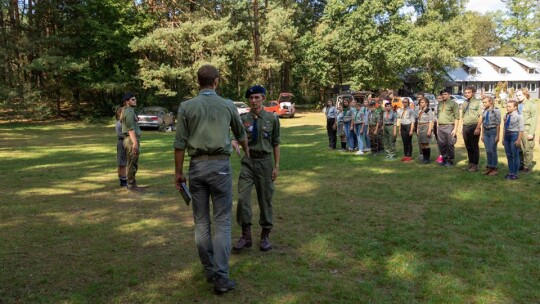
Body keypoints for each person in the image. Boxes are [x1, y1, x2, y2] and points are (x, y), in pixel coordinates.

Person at [174, 65, 248, 294]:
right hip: (220, 166)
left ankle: (209, 270)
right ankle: (221, 276)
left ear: (199, 82)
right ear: (216, 81)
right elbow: (241, 134)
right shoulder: (227, 105)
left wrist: (178, 173)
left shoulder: (186, 106)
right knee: (223, 223)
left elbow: (179, 144)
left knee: (202, 222)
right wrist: (248, 152)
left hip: (196, 166)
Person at [233, 85, 281, 253]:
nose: (253, 101)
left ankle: (265, 236)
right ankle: (246, 236)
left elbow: (276, 143)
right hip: (248, 162)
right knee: (243, 198)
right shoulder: (243, 118)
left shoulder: (272, 119)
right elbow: (236, 135)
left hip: (265, 163)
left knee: (265, 199)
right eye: (251, 98)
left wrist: (276, 166)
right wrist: (234, 142)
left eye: (257, 98)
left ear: (263, 99)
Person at [120, 93, 143, 191]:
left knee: (133, 162)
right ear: (127, 101)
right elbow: (130, 129)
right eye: (133, 99)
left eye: (135, 99)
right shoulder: (129, 112)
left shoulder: (128, 111)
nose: (135, 101)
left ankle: (132, 183)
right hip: (131, 139)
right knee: (132, 163)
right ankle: (131, 184)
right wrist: (135, 143)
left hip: (130, 139)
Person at [460, 86, 484, 172]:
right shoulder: (464, 102)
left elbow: (481, 115)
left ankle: (475, 165)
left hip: (474, 126)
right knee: (468, 146)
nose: (467, 94)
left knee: (474, 146)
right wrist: (462, 127)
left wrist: (478, 127)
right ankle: (470, 164)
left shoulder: (478, 102)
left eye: (469, 92)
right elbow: (462, 115)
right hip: (465, 126)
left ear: (473, 93)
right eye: (465, 93)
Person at [516, 88, 537, 174]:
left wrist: (531, 133)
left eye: (519, 95)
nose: (517, 97)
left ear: (525, 95)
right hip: (518, 129)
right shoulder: (517, 104)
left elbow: (534, 119)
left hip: (527, 129)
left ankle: (527, 166)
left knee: (527, 149)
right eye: (516, 95)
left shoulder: (531, 105)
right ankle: (521, 164)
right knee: (519, 148)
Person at [436, 89, 459, 167]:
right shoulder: (440, 104)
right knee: (442, 144)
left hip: (449, 126)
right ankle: (444, 159)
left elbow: (457, 117)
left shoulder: (453, 104)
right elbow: (438, 116)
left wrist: (455, 129)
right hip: (440, 126)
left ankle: (450, 160)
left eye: (445, 94)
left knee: (450, 144)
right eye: (442, 94)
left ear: (449, 94)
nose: (443, 95)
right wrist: (437, 127)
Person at [502, 100, 524, 180]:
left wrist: (518, 140)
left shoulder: (519, 116)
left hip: (514, 135)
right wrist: (503, 138)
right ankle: (510, 172)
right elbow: (504, 127)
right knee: (509, 155)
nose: (507, 108)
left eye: (509, 106)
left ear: (515, 107)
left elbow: (521, 129)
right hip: (507, 136)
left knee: (515, 155)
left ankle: (515, 173)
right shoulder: (506, 115)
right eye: (507, 106)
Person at [481, 96, 501, 176]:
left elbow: (498, 124)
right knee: (488, 150)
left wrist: (497, 135)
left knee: (493, 150)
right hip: (486, 131)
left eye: (485, 102)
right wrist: (482, 134)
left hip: (493, 131)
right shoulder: (484, 111)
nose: (484, 104)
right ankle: (489, 167)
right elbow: (483, 122)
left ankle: (494, 168)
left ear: (491, 102)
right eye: (483, 102)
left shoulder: (496, 111)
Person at [416, 97, 435, 164]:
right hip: (420, 127)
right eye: (420, 102)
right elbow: (418, 120)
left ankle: (427, 158)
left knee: (426, 143)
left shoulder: (428, 110)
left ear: (426, 103)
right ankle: (424, 156)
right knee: (422, 144)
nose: (421, 104)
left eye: (422, 102)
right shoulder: (420, 110)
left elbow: (431, 121)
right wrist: (417, 129)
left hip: (426, 127)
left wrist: (429, 130)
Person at [397, 97, 415, 162]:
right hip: (402, 126)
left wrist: (411, 130)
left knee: (408, 142)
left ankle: (409, 156)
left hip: (408, 126)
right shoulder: (401, 110)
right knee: (404, 142)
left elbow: (413, 121)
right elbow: (400, 120)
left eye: (406, 102)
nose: (404, 103)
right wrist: (399, 129)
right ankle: (405, 155)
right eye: (403, 102)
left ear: (408, 103)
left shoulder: (411, 110)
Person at [115, 105, 127, 187]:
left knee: (121, 162)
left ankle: (121, 178)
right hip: (122, 142)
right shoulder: (120, 123)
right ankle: (123, 180)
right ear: (120, 113)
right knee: (123, 163)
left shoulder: (119, 122)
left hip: (120, 142)